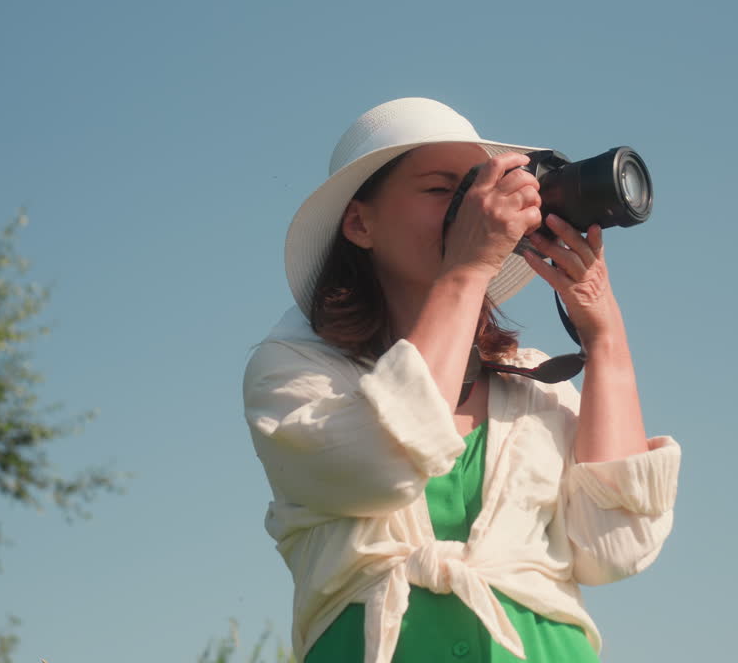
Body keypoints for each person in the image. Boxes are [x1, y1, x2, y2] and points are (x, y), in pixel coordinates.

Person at [242, 98, 682, 663]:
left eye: (477, 187)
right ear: (359, 222)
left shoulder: (533, 381)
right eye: (439, 189)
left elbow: (613, 547)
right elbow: (378, 467)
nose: (472, 207)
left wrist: (606, 341)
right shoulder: (297, 371)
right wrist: (468, 267)